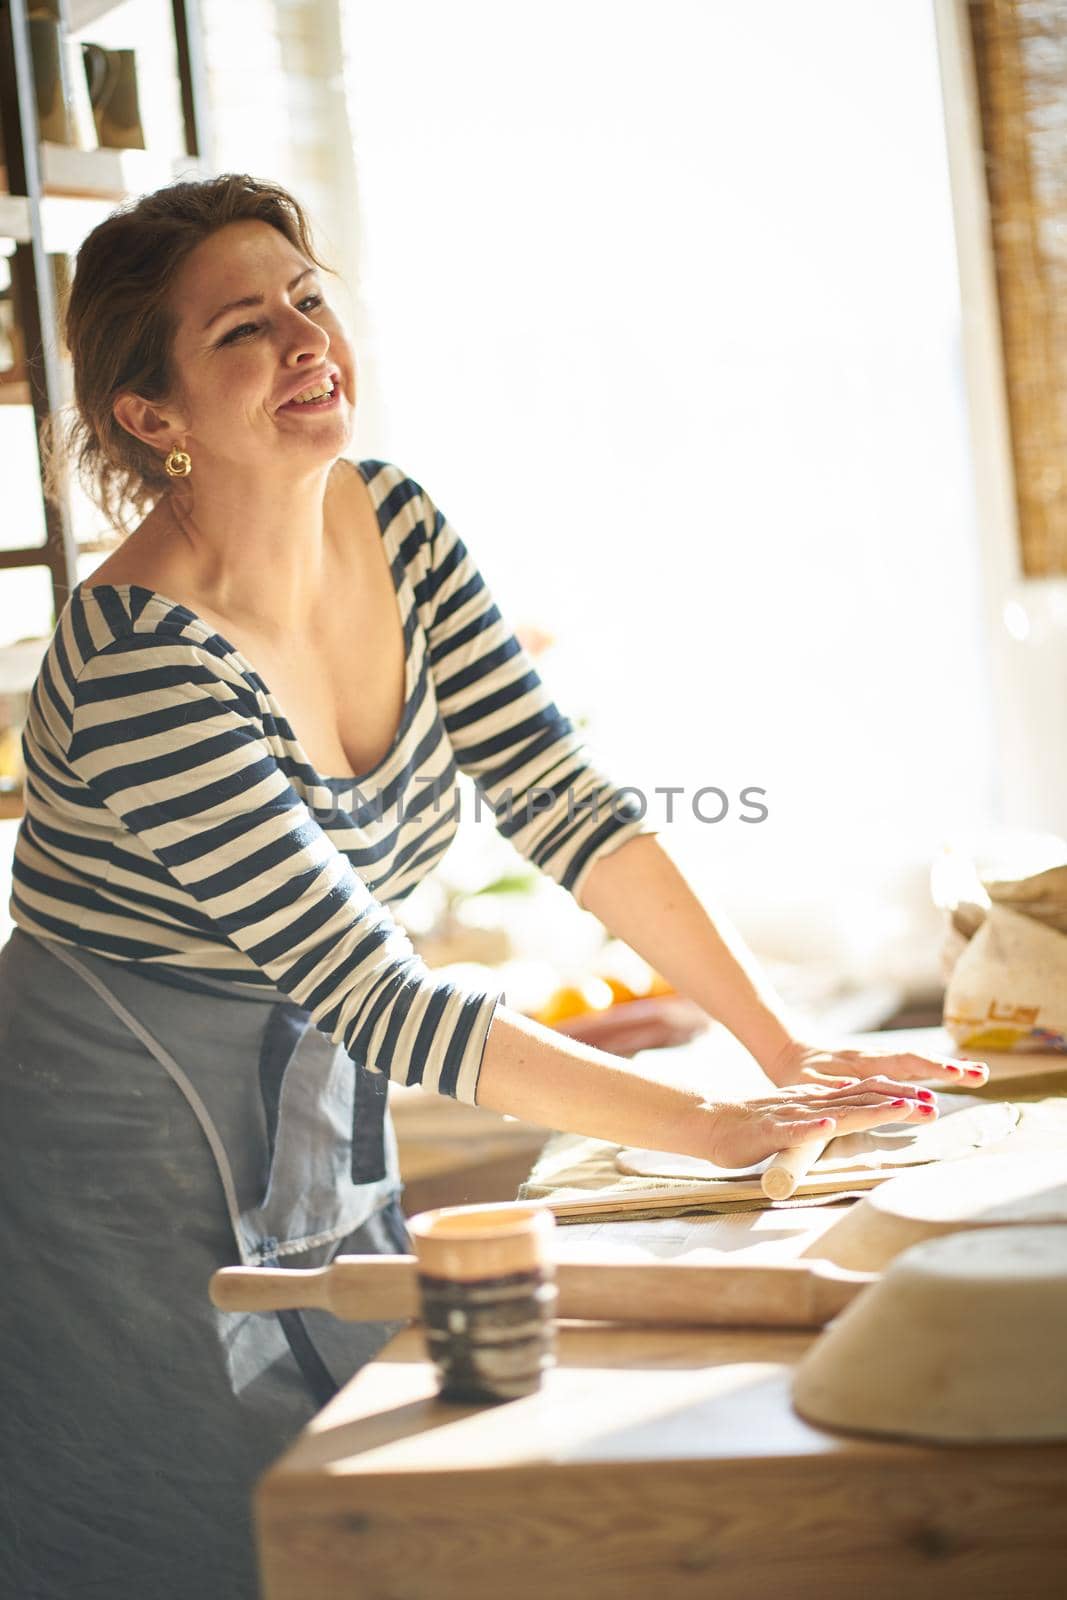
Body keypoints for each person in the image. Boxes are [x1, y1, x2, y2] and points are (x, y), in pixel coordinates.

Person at [0, 174, 988, 1600]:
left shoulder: (396, 525)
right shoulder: (140, 658)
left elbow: (567, 802)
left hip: (295, 1124)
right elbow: (375, 992)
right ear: (151, 417)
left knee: (369, 1506)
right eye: (239, 330)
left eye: (306, 299)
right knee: (197, 1543)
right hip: (109, 1184)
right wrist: (714, 1131)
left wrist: (783, 1050)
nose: (301, 339)